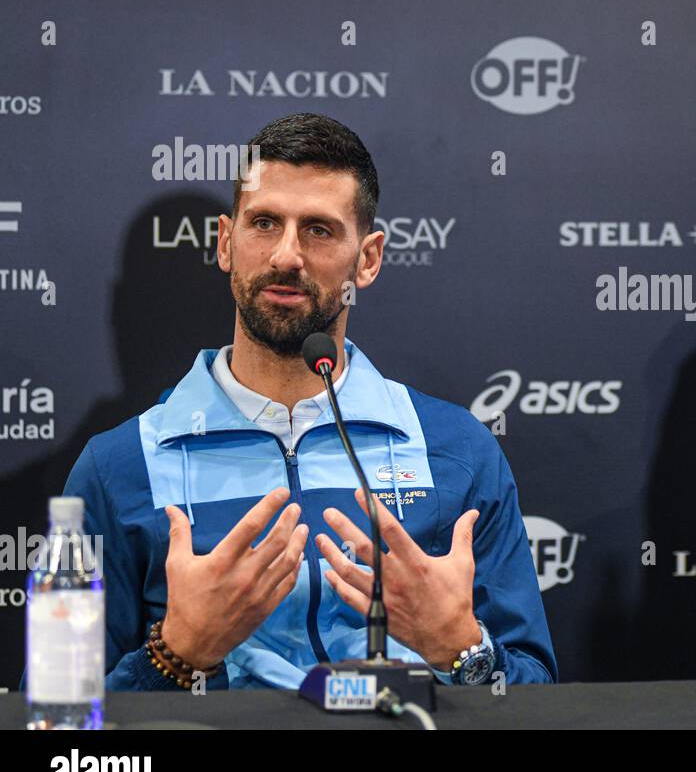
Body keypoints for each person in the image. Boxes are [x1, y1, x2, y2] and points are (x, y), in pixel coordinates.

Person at [64, 112, 556, 689]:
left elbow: (536, 697)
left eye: (318, 230)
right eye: (265, 223)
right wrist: (175, 654)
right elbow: (57, 731)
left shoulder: (455, 451)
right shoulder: (119, 467)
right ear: (226, 243)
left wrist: (461, 649)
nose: (286, 256)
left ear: (367, 259)